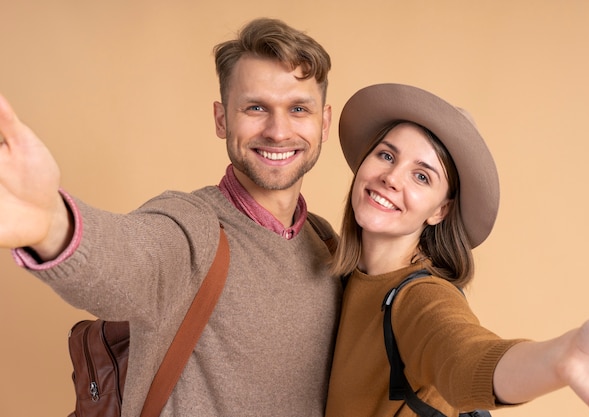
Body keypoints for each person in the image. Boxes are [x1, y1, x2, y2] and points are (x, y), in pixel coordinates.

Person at [0, 18, 341, 416]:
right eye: (256, 108)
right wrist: (53, 225)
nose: (279, 131)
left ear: (324, 123)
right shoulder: (192, 226)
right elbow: (130, 260)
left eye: (299, 108)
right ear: (221, 119)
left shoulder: (327, 243)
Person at [324, 83, 589, 417]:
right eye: (386, 155)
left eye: (422, 177)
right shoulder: (335, 266)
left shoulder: (421, 298)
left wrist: (564, 355)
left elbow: (468, 357)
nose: (392, 178)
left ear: (441, 210)